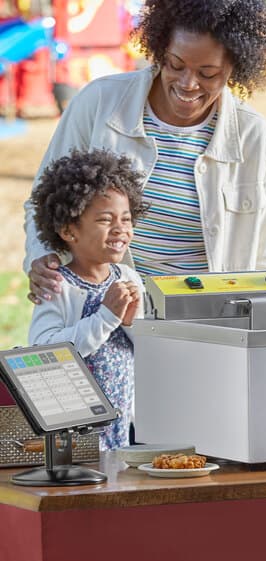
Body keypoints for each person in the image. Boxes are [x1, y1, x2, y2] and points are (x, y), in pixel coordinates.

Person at [24, 0, 266, 303]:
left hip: (207, 323)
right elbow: (42, 204)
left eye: (208, 73)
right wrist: (41, 257)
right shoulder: (98, 102)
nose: (188, 83)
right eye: (175, 65)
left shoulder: (255, 138)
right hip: (93, 311)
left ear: (234, 68)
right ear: (160, 50)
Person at [28, 149, 148, 451]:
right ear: (69, 230)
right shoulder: (57, 286)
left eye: (126, 218)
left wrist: (133, 323)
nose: (120, 228)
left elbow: (149, 350)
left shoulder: (129, 278)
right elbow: (46, 354)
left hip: (125, 423)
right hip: (75, 431)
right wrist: (106, 317)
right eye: (106, 220)